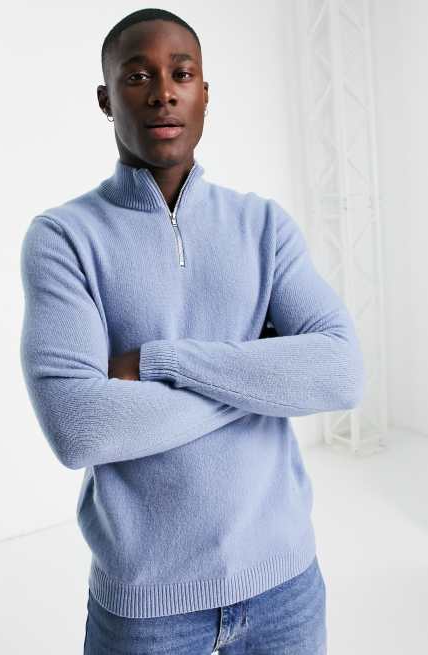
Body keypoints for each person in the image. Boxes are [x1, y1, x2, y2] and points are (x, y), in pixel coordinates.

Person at [19, 8, 365, 654]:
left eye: (181, 74)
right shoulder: (64, 238)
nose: (163, 92)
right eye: (137, 76)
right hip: (147, 604)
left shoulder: (263, 226)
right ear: (105, 99)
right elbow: (80, 427)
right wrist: (262, 379)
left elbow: (341, 373)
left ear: (204, 92)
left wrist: (158, 361)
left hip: (284, 585)